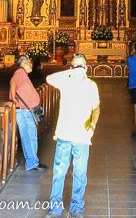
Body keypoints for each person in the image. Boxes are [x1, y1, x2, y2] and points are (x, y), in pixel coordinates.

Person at [47, 54, 100, 218]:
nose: (79, 68)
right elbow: (49, 78)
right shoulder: (65, 82)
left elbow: (96, 109)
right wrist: (69, 72)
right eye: (76, 65)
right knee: (59, 173)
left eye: (82, 65)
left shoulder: (92, 85)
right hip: (64, 135)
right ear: (71, 67)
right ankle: (55, 209)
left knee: (80, 173)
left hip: (82, 137)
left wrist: (91, 126)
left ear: (86, 68)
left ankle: (76, 207)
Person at [9, 55, 47, 172]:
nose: (31, 65)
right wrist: (13, 97)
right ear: (23, 63)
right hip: (23, 110)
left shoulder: (23, 74)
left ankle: (33, 161)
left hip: (26, 110)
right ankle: (32, 162)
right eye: (29, 63)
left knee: (31, 135)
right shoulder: (20, 73)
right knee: (28, 136)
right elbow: (13, 83)